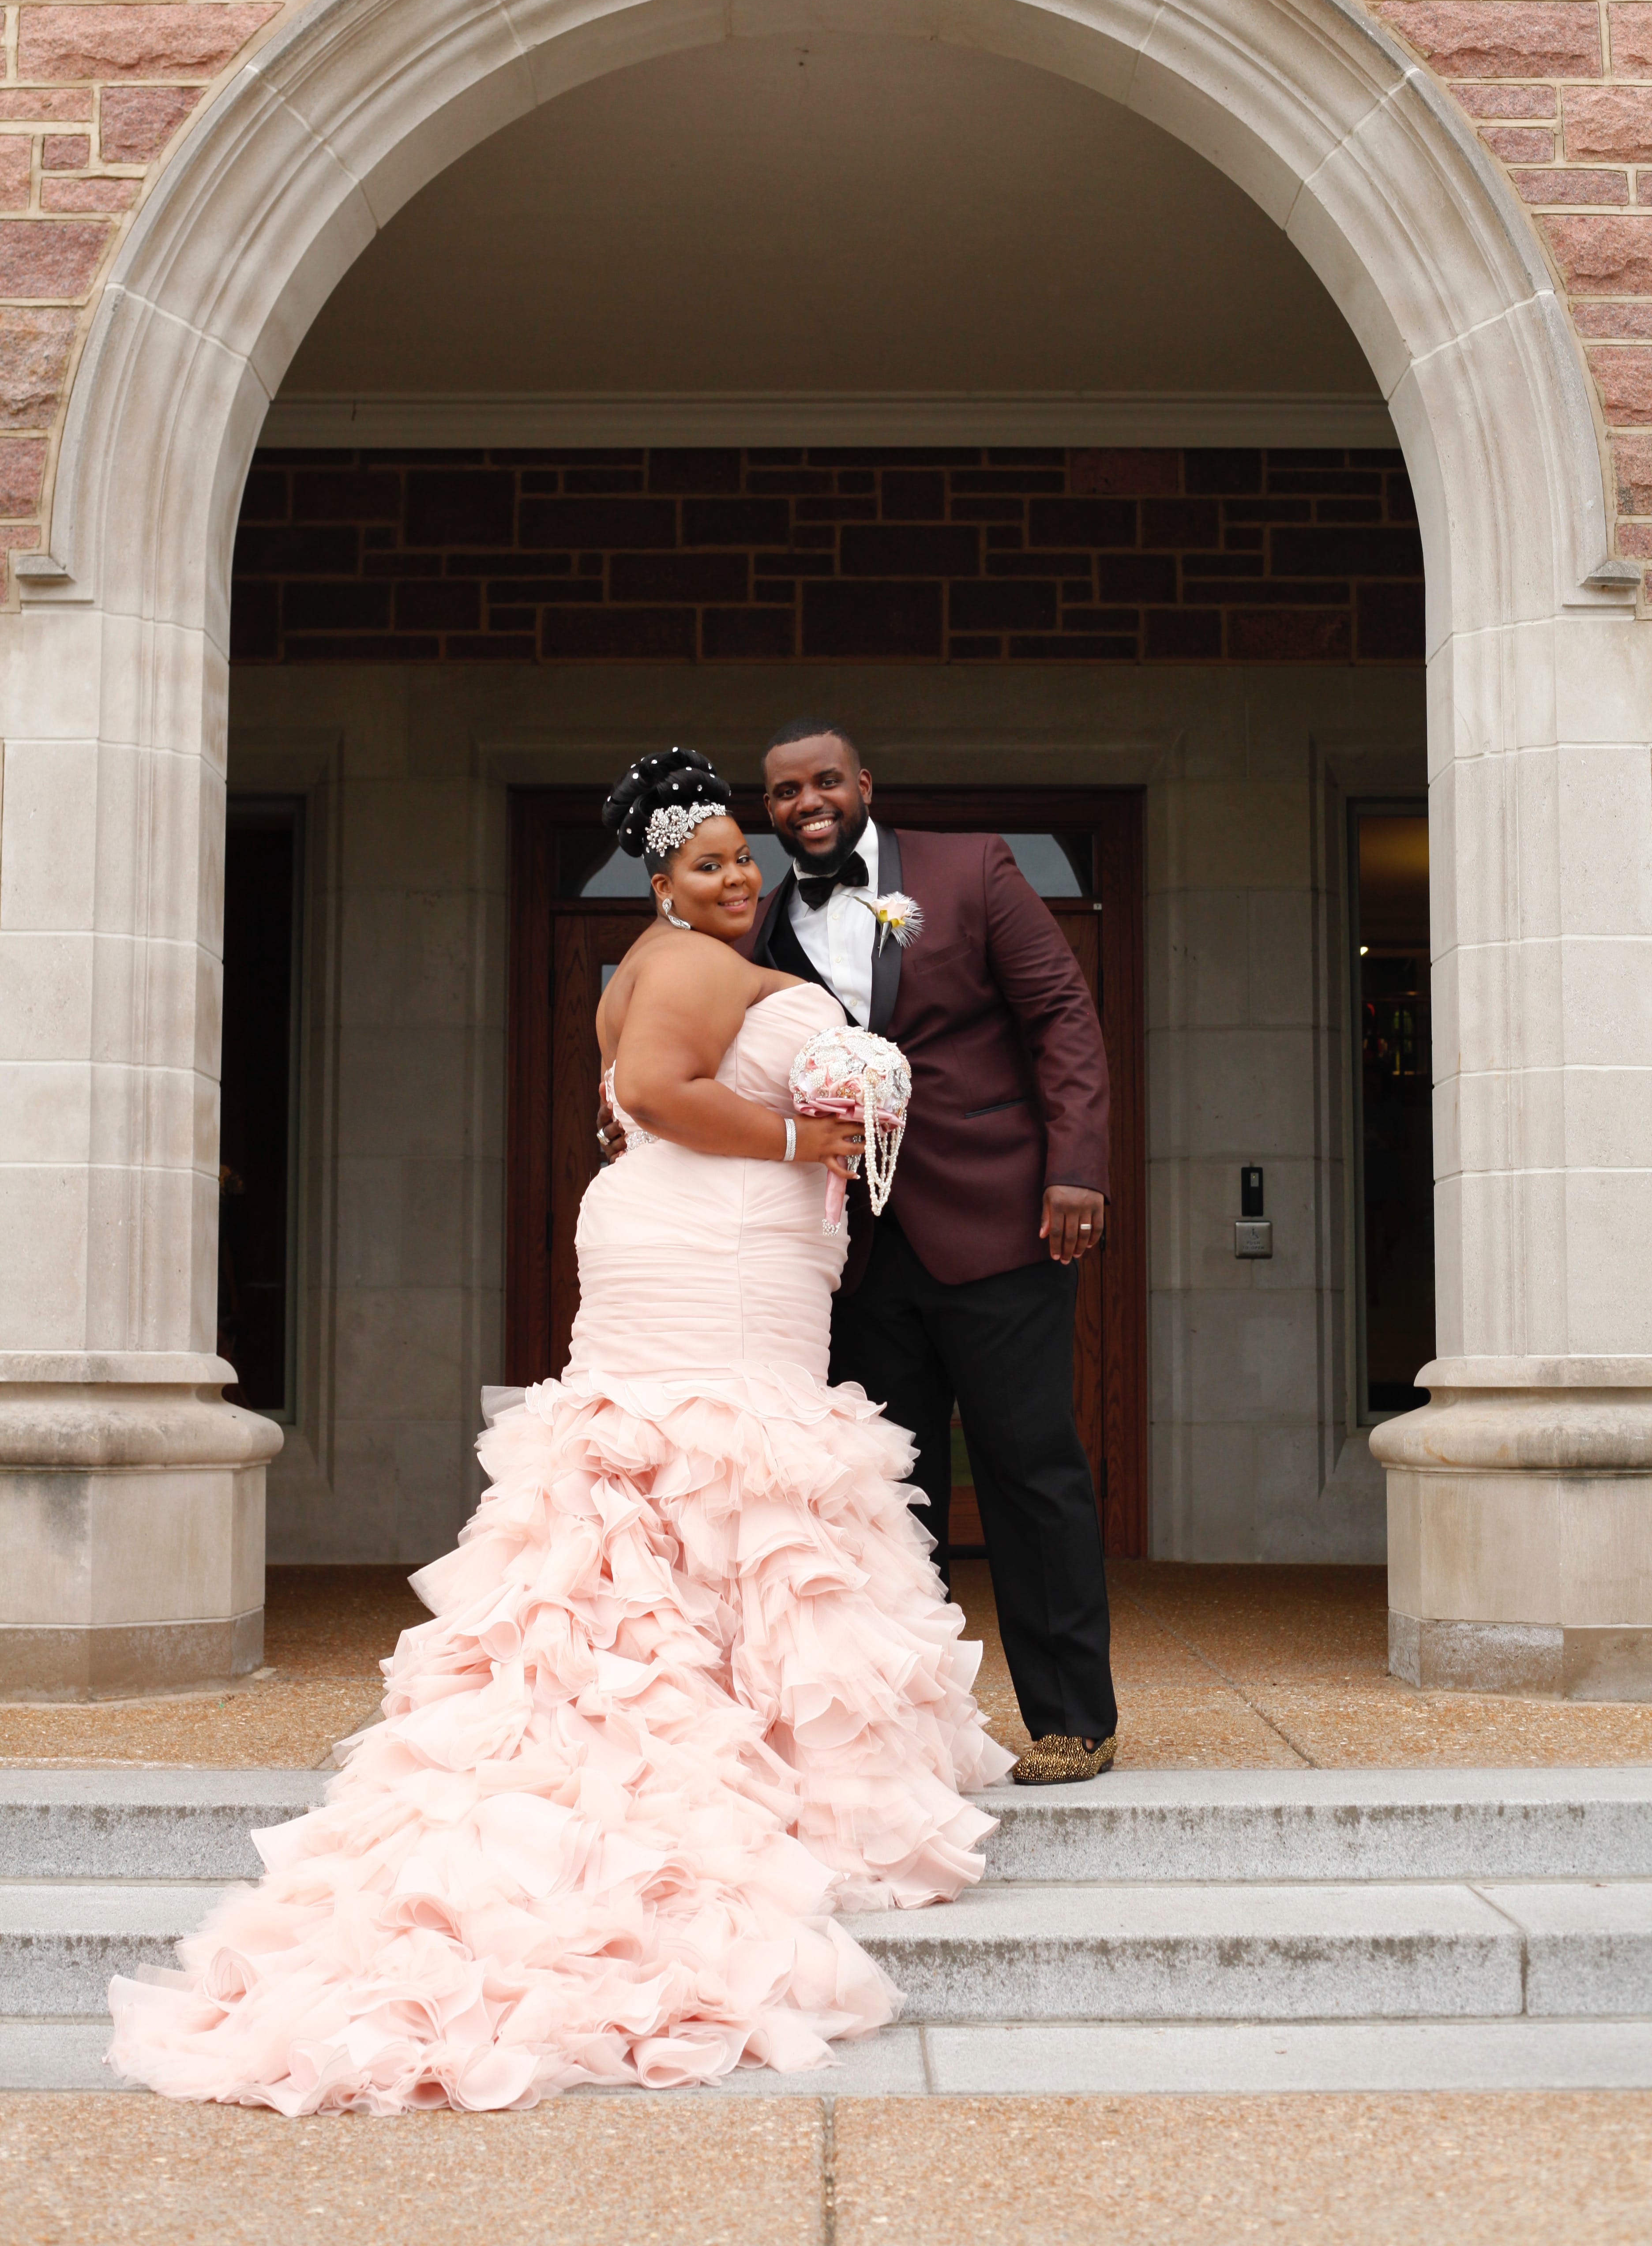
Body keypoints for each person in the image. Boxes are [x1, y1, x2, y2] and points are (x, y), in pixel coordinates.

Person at [107, 747, 1010, 2115]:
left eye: (736, 856)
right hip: (713, 1244)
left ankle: (715, 1730)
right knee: (718, 1466)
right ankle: (706, 1759)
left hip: (715, 1246)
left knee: (690, 1480)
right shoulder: (694, 964)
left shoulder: (670, 959)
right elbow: (652, 1098)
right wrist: (803, 1146)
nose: (733, 876)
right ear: (658, 880)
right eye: (704, 861)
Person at [754, 720, 1118, 1788]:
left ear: (863, 785)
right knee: (881, 1497)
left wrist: (1078, 1166)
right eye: (784, 792)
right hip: (856, 1251)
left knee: (1028, 1469)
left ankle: (1072, 1721)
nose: (807, 802)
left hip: (1002, 1218)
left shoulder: (971, 868)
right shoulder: (765, 927)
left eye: (825, 781)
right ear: (770, 810)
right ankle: (907, 1732)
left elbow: (1059, 1012)